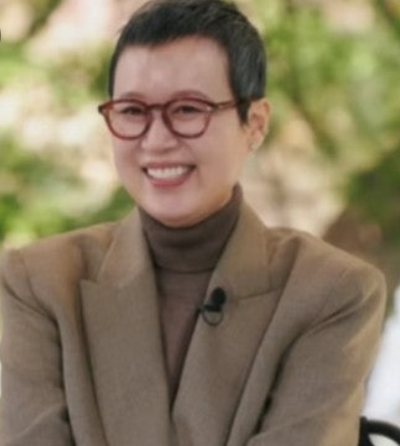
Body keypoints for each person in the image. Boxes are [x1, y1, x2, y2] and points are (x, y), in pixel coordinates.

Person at [0, 0, 386, 445]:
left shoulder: (333, 292)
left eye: (188, 109)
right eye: (132, 111)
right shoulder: (40, 281)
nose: (157, 140)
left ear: (255, 123)